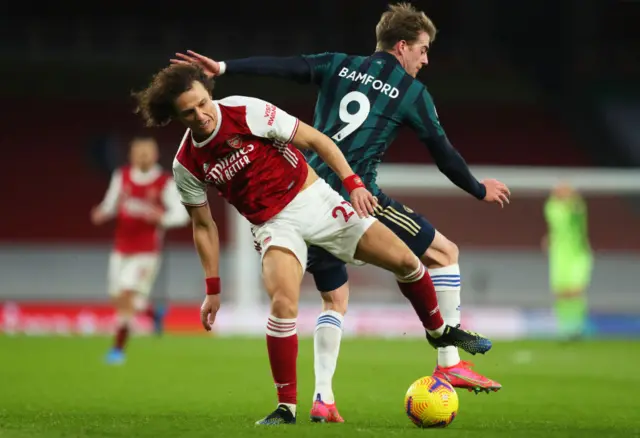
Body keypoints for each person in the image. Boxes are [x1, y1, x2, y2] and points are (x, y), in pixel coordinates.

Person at [170, 1, 510, 420]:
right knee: (443, 254)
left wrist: (225, 66)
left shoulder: (339, 64)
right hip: (351, 193)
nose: (425, 59)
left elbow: (287, 67)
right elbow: (444, 155)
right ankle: (450, 362)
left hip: (301, 185)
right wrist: (478, 189)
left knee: (335, 299)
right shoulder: (412, 92)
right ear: (402, 46)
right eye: (422, 50)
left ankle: (323, 400)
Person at [91, 136, 190, 364]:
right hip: (121, 248)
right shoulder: (121, 176)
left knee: (126, 293)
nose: (143, 156)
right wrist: (102, 212)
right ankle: (153, 315)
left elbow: (181, 215)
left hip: (146, 252)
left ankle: (117, 349)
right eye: (139, 152)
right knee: (118, 297)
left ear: (155, 155)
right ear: (131, 155)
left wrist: (162, 218)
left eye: (148, 152)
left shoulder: (164, 182)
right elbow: (111, 203)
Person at [542, 182, 593, 340]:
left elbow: (577, 212)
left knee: (576, 290)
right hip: (559, 254)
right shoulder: (552, 208)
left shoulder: (576, 207)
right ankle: (564, 328)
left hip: (577, 253)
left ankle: (577, 326)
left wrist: (572, 196)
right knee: (561, 292)